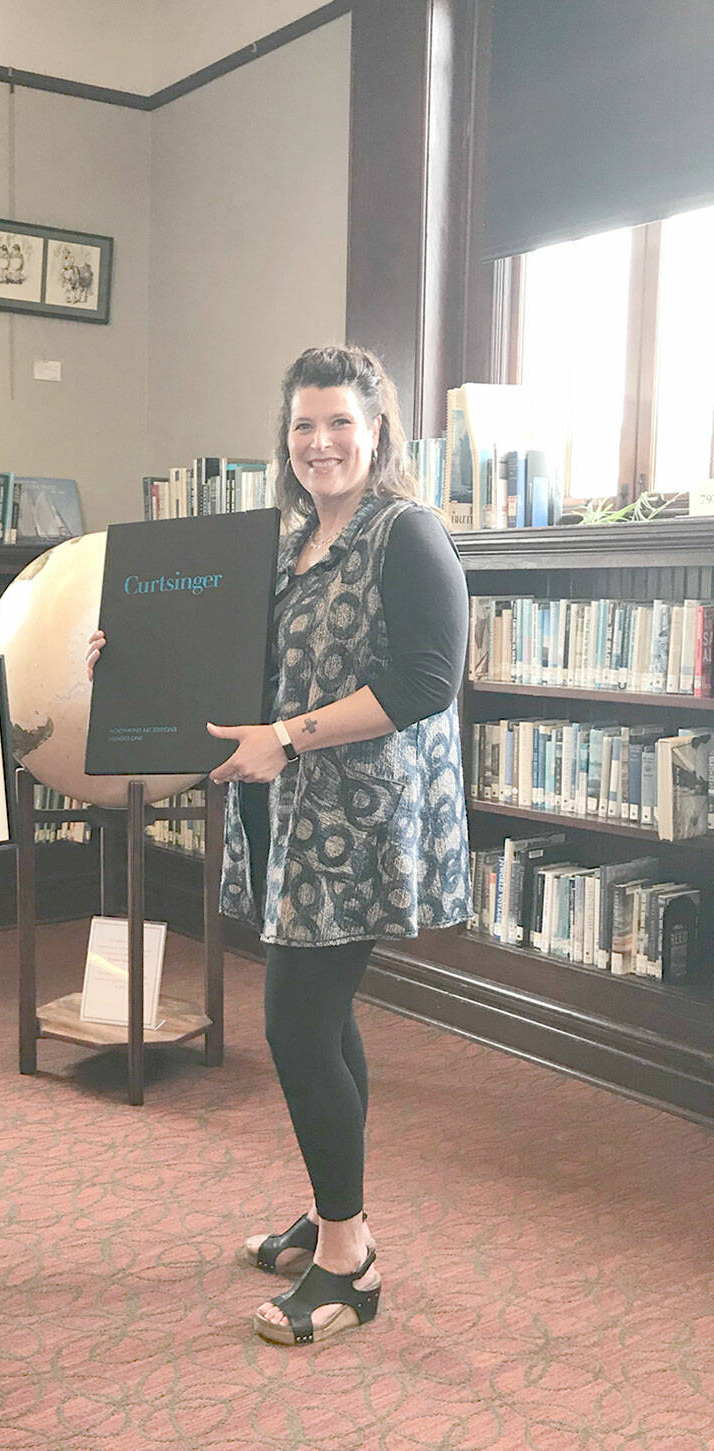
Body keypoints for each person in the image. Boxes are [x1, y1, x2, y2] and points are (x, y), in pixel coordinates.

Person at [86, 344, 470, 1346]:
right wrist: (127, 655)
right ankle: (331, 1203)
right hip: (283, 814)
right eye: (302, 424)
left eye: (339, 421)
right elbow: (239, 669)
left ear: (376, 430)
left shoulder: (406, 533)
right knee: (324, 1020)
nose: (320, 442)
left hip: (358, 822)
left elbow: (425, 685)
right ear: (284, 438)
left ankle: (347, 1257)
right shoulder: (289, 542)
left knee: (296, 1025)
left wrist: (287, 736)